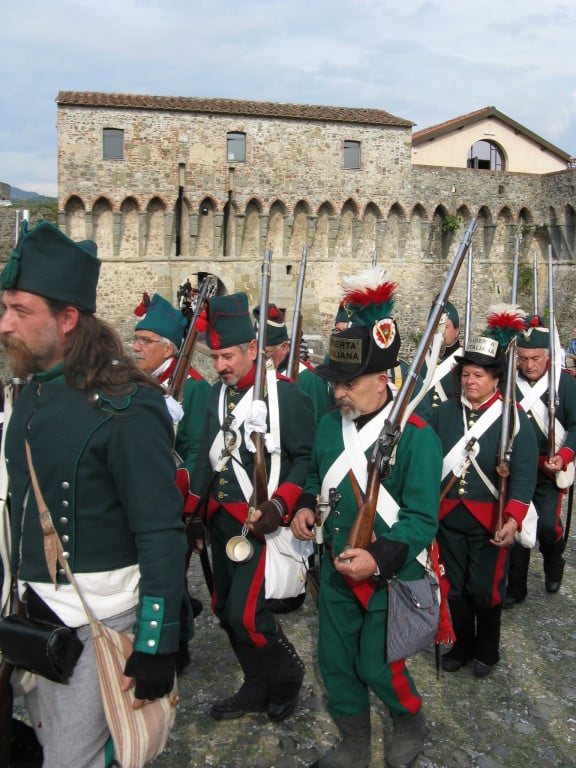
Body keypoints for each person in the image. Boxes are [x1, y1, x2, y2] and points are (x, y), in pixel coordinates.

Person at [0, 220, 186, 768]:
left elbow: (160, 530)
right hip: (33, 615)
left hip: (99, 622)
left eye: (20, 311)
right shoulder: (32, 391)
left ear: (67, 319)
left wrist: (156, 642)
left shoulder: (126, 405)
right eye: (4, 307)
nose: (5, 324)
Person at [291, 273, 442, 768]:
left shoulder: (418, 437)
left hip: (391, 576)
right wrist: (305, 507)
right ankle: (354, 743)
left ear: (382, 380)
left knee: (379, 665)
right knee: (336, 663)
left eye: (349, 383)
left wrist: (376, 559)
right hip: (337, 567)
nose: (338, 392)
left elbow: (421, 520)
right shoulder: (328, 424)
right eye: (335, 382)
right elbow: (316, 477)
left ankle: (409, 718)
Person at [180, 292, 315, 723]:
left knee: (247, 613)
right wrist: (194, 516)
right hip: (220, 521)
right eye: (215, 357)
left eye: (228, 356)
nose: (220, 366)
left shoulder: (287, 397)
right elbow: (207, 459)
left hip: (258, 523)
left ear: (253, 349)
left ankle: (288, 674)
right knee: (224, 608)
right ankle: (256, 684)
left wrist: (280, 504)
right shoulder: (216, 396)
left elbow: (304, 459)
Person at [427, 307, 538, 678]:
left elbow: (524, 474)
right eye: (466, 374)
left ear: (495, 379)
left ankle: (488, 649)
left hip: (490, 517)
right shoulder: (443, 414)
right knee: (455, 586)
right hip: (448, 515)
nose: (470, 381)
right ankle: (462, 645)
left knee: (485, 589)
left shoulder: (512, 417)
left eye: (478, 375)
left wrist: (514, 518)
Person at [133, 291, 211, 671]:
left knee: (170, 573)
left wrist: (186, 504)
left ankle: (177, 646)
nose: (136, 347)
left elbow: (197, 453)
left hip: (172, 500)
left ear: (168, 349)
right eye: (137, 339)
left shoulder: (193, 387)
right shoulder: (140, 383)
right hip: (140, 497)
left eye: (145, 341)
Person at [505, 316, 576, 606]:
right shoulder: (508, 383)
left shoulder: (564, 384)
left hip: (548, 468)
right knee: (516, 523)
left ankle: (554, 560)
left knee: (547, 526)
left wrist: (564, 455)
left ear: (547, 356)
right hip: (516, 468)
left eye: (535, 358)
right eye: (523, 358)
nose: (529, 365)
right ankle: (516, 587)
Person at [254, 302, 331, 427]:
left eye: (266, 352)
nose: (259, 359)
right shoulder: (256, 373)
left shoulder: (309, 379)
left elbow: (317, 425)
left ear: (284, 348)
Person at [420, 301, 463, 408]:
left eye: (445, 327)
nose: (439, 332)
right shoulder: (420, 361)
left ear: (456, 331)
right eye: (435, 327)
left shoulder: (464, 361)